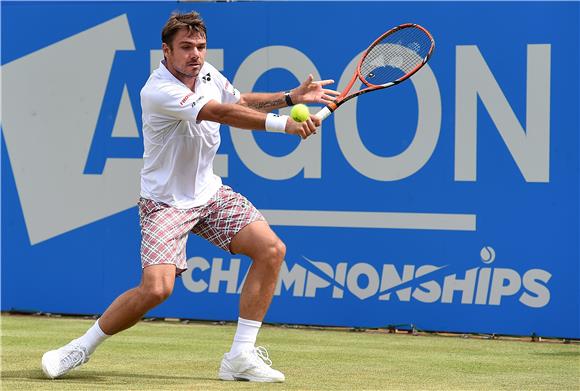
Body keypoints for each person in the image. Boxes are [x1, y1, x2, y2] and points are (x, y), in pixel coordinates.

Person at [41, 11, 339, 383]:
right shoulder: (159, 90)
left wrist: (289, 96)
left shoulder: (209, 73)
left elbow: (238, 100)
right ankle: (80, 347)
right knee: (157, 288)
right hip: (164, 203)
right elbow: (220, 112)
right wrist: (285, 124)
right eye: (185, 47)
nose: (195, 54)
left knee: (271, 250)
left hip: (209, 194)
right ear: (165, 51)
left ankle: (240, 356)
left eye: (200, 46)